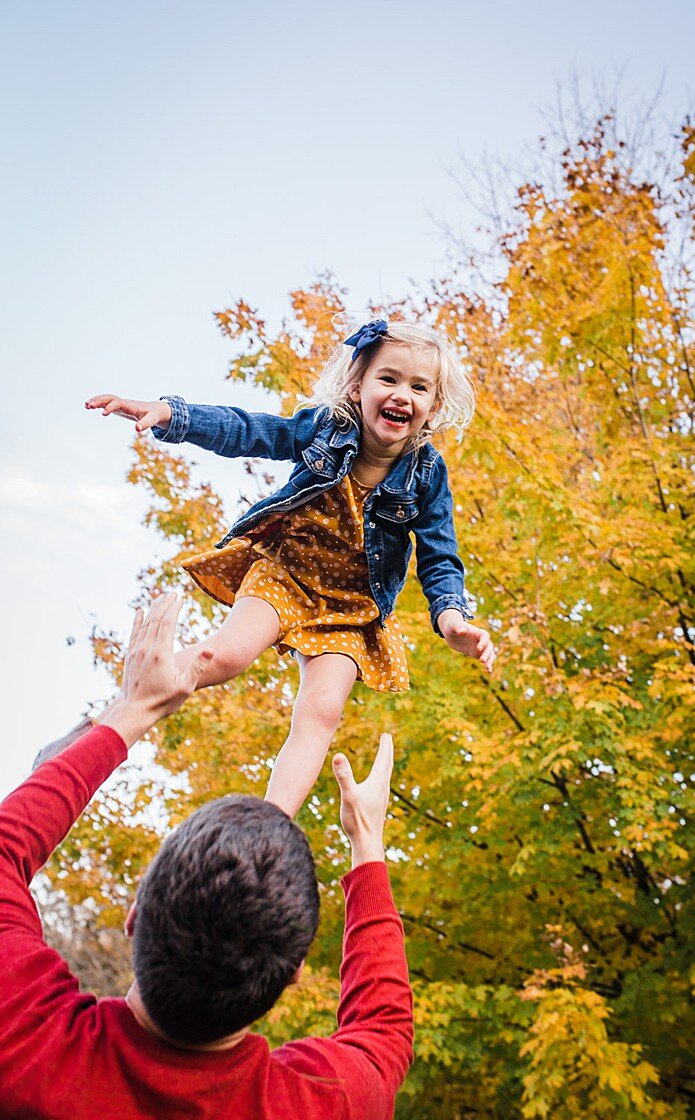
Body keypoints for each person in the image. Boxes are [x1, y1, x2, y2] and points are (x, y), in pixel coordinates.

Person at [0, 594, 414, 1118]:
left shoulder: (27, 1053)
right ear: (291, 977)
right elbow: (385, 1033)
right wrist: (368, 844)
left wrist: (133, 712)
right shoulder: (316, 1104)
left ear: (135, 916)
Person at [86, 319, 496, 816]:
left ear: (433, 406)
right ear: (357, 385)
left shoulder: (428, 475)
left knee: (322, 713)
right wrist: (174, 416)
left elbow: (440, 555)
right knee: (227, 656)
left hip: (350, 608)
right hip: (288, 572)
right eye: (388, 379)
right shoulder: (324, 429)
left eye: (419, 387)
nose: (402, 394)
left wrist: (451, 618)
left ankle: (271, 823)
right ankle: (104, 727)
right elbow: (251, 431)